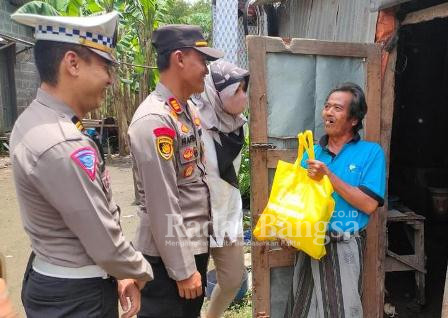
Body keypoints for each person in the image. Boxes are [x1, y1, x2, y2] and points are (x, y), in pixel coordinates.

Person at [9, 11, 153, 318]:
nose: (110, 79)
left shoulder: (33, 119)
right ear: (72, 63)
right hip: (78, 298)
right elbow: (104, 239)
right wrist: (138, 270)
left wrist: (120, 270)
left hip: (54, 281)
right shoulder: (63, 142)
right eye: (105, 66)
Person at [127, 25, 223, 318]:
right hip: (166, 257)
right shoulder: (155, 120)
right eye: (202, 60)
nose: (206, 70)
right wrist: (182, 271)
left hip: (191, 242)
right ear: (179, 59)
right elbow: (162, 204)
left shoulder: (185, 110)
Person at [284, 82, 386, 318]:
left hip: (344, 245)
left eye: (337, 108)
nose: (328, 112)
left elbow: (369, 205)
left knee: (341, 310)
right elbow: (297, 202)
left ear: (353, 119)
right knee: (302, 309)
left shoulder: (371, 153)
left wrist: (328, 175)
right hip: (309, 243)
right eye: (327, 106)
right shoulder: (311, 154)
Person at [192, 60, 249, 318]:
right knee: (191, 284)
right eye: (238, 91)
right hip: (196, 216)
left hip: (226, 211)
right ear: (218, 94)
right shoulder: (193, 122)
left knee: (234, 277)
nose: (245, 97)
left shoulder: (239, 125)